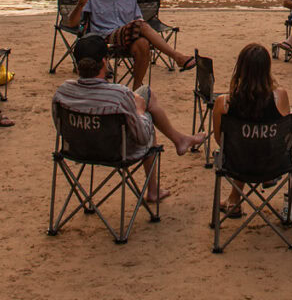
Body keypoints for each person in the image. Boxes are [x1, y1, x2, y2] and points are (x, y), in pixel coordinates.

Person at [53, 35, 207, 204]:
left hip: (77, 148)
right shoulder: (119, 94)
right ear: (105, 62)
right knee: (147, 111)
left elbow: (60, 128)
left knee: (145, 92)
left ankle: (180, 140)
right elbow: (142, 136)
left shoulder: (63, 92)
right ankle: (154, 189)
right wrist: (140, 111)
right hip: (117, 152)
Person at [65, 0, 197, 86]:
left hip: (126, 37)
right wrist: (79, 5)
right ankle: (177, 57)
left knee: (143, 44)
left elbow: (137, 20)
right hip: (104, 37)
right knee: (141, 25)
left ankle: (136, 89)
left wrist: (138, 30)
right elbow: (72, 23)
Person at [212, 43, 292, 218]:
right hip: (272, 162)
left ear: (240, 68)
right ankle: (238, 197)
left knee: (242, 146)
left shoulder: (223, 102)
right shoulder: (280, 96)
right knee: (253, 146)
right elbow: (285, 136)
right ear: (267, 69)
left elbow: (220, 140)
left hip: (238, 162)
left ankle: (234, 201)